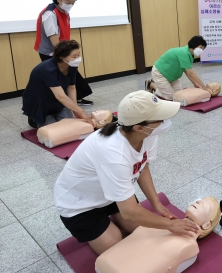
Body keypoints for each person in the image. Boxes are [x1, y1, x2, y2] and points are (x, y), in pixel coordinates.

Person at [54, 90, 198, 255]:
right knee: (114, 245)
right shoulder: (114, 153)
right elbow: (129, 212)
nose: (165, 122)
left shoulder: (146, 133)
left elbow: (142, 167)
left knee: (138, 227)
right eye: (160, 119)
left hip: (109, 195)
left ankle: (112, 219)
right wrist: (171, 225)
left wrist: (156, 202)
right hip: (79, 204)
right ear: (138, 127)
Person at [34, 0, 94, 105]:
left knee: (70, 72)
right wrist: (63, 54)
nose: (70, 5)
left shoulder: (63, 11)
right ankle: (63, 100)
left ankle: (76, 98)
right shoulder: (50, 14)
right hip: (51, 51)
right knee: (59, 75)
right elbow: (53, 36)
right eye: (68, 2)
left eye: (72, 3)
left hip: (63, 49)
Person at [22, 40, 92, 128]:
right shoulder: (48, 69)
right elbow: (60, 96)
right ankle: (33, 118)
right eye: (74, 56)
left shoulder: (71, 65)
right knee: (54, 130)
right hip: (40, 101)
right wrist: (81, 111)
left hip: (58, 99)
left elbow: (71, 88)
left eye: (78, 55)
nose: (77, 58)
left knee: (71, 126)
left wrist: (75, 109)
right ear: (62, 58)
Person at [145, 36, 208, 100]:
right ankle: (152, 85)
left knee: (179, 94)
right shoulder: (184, 53)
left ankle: (161, 85)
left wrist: (195, 84)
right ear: (194, 45)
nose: (201, 51)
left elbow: (187, 71)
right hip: (160, 73)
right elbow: (190, 73)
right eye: (201, 48)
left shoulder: (190, 54)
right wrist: (203, 86)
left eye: (203, 49)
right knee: (171, 97)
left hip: (171, 76)